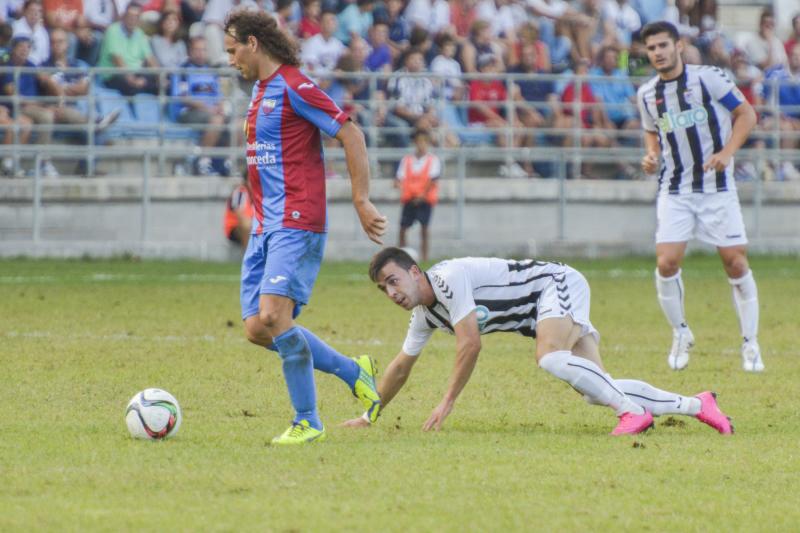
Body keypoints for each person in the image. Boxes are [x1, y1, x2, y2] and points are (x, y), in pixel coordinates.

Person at [342, 247, 734, 436]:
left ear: (414, 271)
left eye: (393, 281)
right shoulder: (424, 315)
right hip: (538, 312)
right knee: (597, 389)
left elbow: (470, 344)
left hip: (555, 285)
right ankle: (699, 405)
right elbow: (400, 366)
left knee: (548, 356)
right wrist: (368, 415)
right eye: (383, 289)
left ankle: (632, 413)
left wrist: (447, 402)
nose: (391, 292)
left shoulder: (446, 279)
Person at [223, 9, 387, 445]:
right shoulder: (260, 92)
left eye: (233, 48)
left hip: (297, 219)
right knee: (258, 328)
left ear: (254, 43)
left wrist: (361, 198)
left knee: (275, 316)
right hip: (265, 224)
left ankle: (308, 420)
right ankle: (355, 371)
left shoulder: (296, 86)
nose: (230, 58)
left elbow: (350, 134)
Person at [637, 21, 762, 372]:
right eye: (652, 48)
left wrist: (727, 152)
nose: (658, 53)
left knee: (735, 263)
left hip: (716, 188)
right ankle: (680, 333)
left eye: (663, 45)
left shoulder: (708, 78)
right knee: (666, 263)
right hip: (675, 189)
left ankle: (750, 344)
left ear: (678, 46)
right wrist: (650, 156)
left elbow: (746, 114)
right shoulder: (647, 93)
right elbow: (652, 133)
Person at [170, 36, 230, 176]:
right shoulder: (183, 70)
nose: (200, 53)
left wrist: (220, 106)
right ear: (190, 51)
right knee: (217, 120)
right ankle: (201, 162)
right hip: (188, 112)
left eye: (203, 50)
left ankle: (225, 161)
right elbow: (184, 98)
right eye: (197, 50)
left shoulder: (211, 71)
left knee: (239, 124)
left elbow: (219, 96)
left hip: (211, 112)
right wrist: (208, 108)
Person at [97, 2, 159, 95]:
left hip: (135, 73)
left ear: (139, 19)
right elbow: (117, 60)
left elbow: (150, 58)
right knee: (131, 86)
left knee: (161, 84)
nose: (132, 19)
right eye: (130, 16)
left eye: (136, 16)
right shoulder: (113, 30)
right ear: (124, 16)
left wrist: (160, 77)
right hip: (114, 74)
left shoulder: (140, 33)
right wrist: (132, 80)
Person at [396, 128, 439, 262]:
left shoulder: (433, 160)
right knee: (403, 228)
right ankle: (402, 257)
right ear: (414, 143)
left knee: (424, 228)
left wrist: (422, 195)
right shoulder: (407, 160)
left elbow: (433, 179)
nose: (421, 145)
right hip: (409, 199)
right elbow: (399, 178)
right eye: (418, 141)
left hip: (425, 200)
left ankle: (425, 257)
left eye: (424, 142)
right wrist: (401, 188)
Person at [223, 172, 254, 248]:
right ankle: (248, 255)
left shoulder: (260, 194)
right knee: (247, 225)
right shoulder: (240, 192)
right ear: (246, 181)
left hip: (253, 226)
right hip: (235, 227)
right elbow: (239, 215)